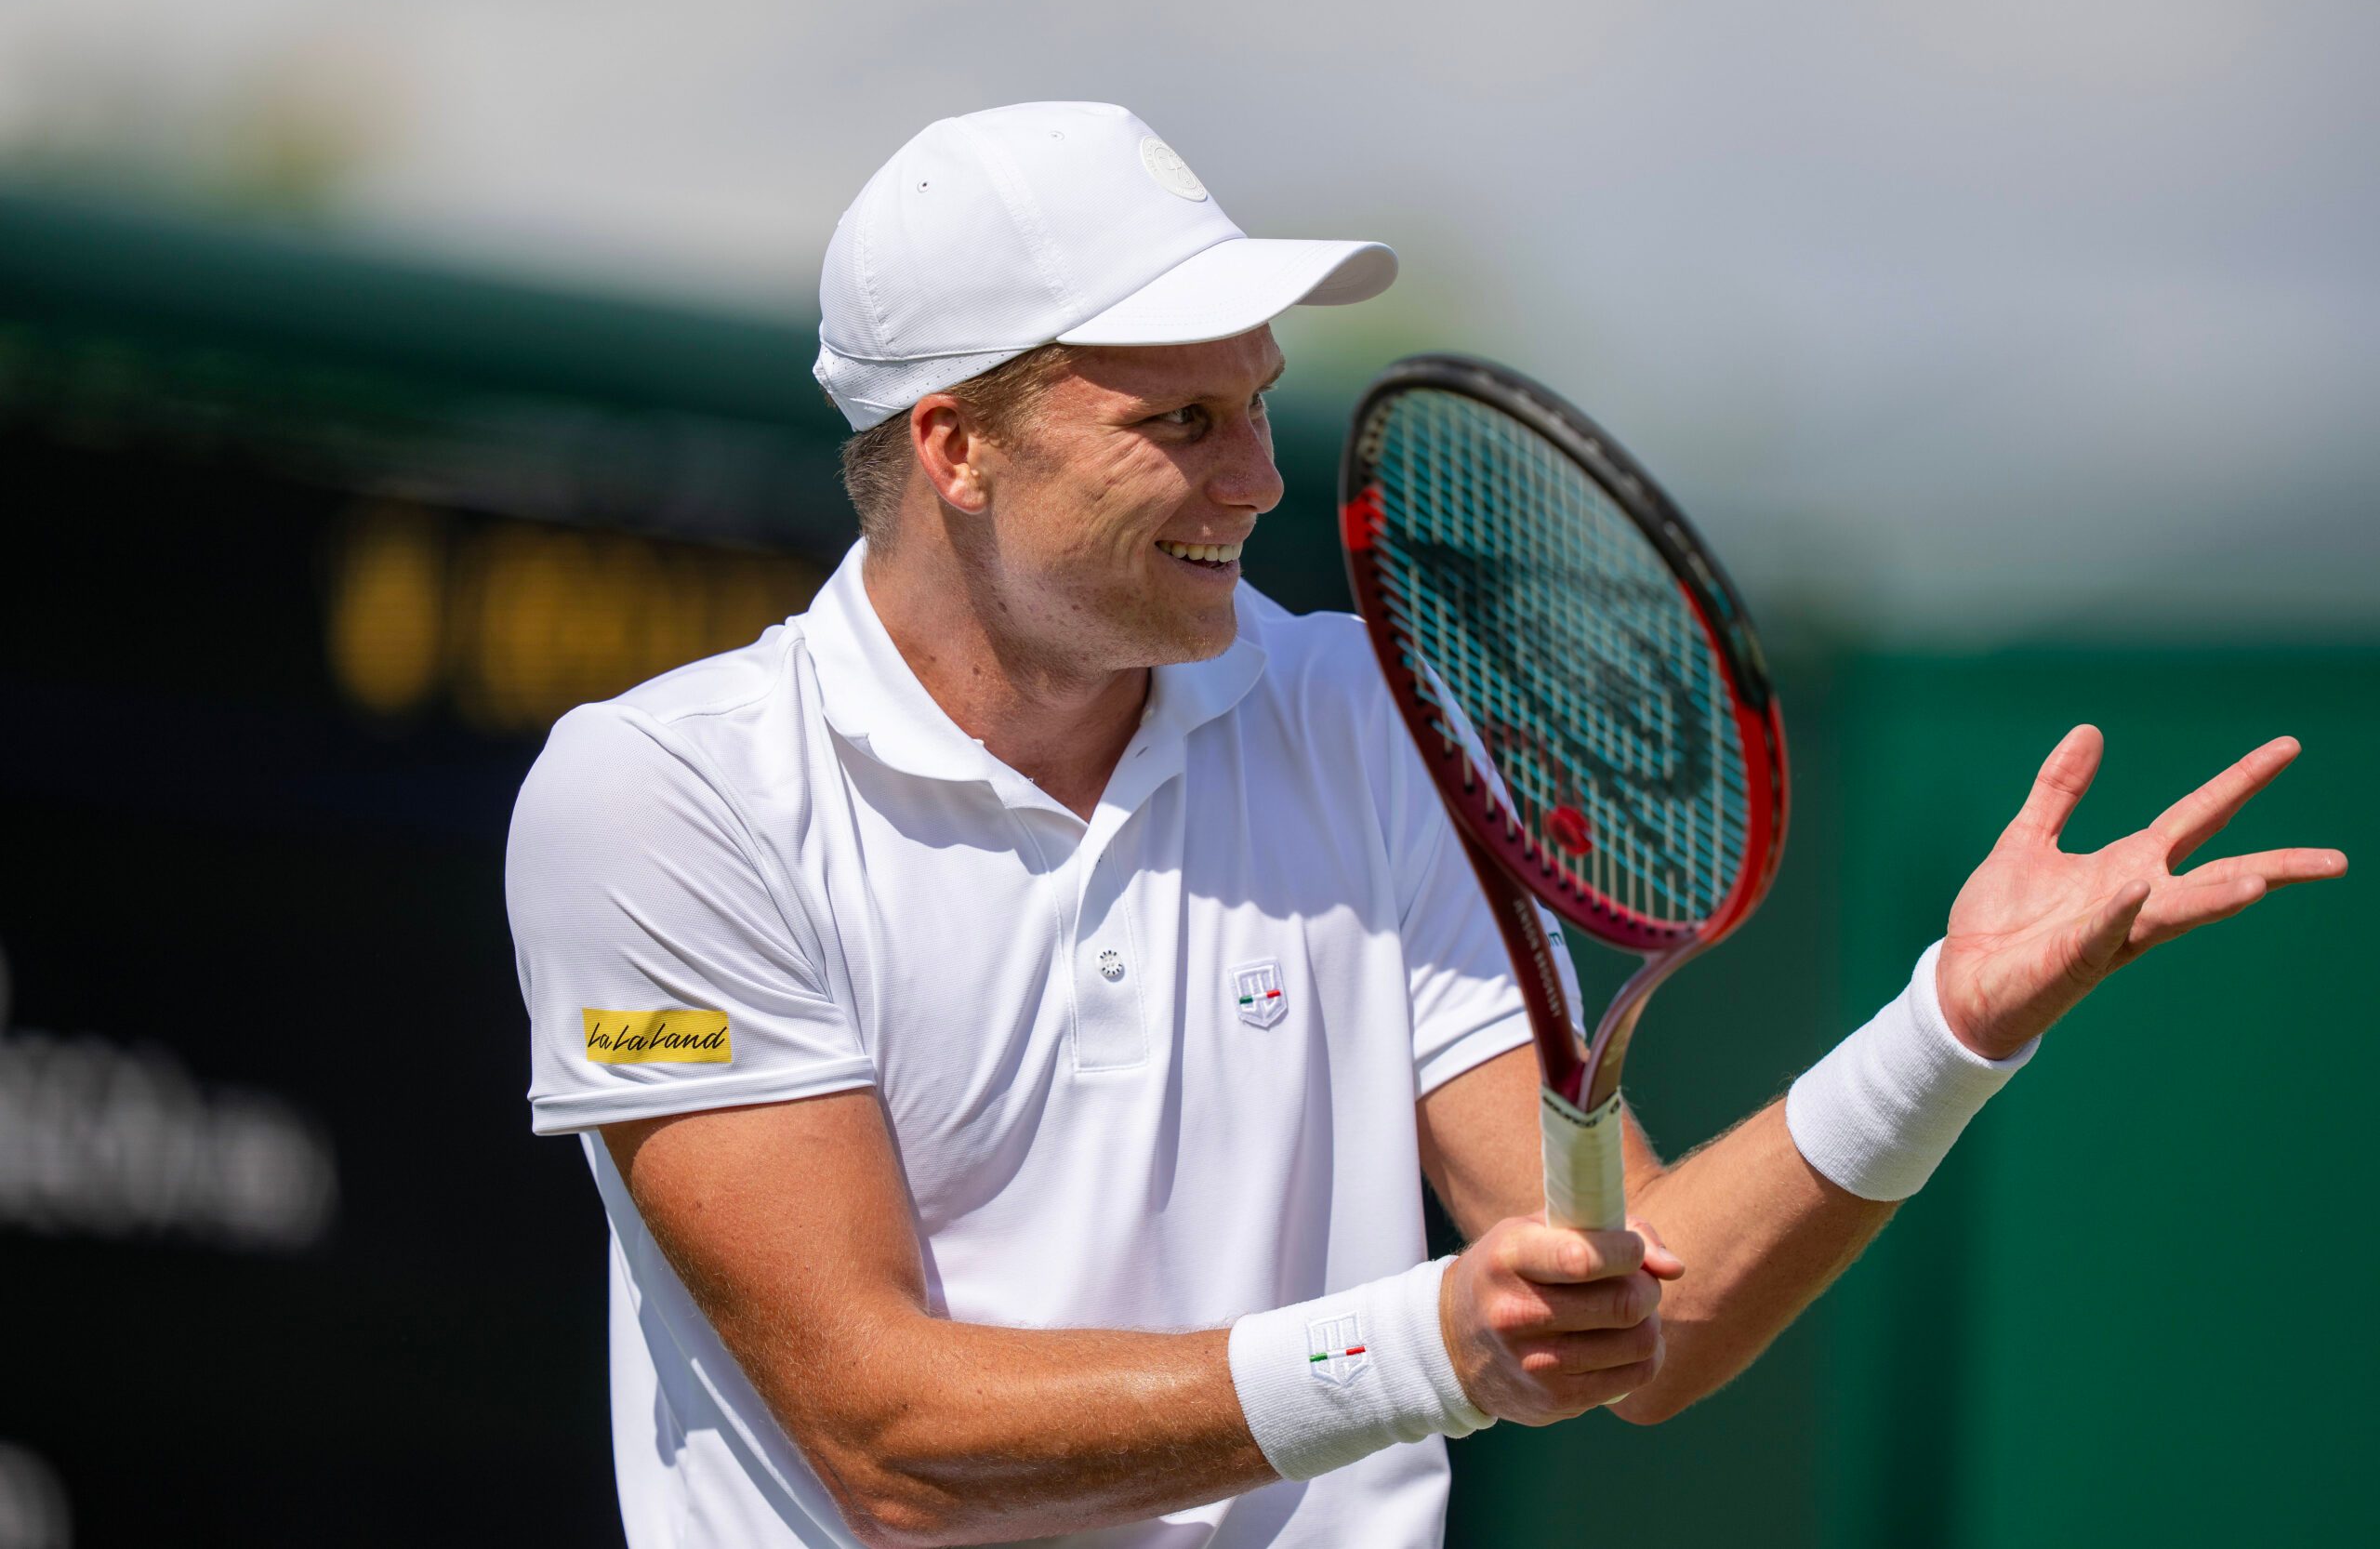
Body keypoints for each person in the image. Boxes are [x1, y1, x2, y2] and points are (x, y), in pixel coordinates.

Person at [506, 101, 2347, 1549]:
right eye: (1182, 419)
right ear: (954, 445)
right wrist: (1422, 1346)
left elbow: (1636, 1324)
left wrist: (1947, 1027)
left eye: (1262, 402)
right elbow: (883, 1437)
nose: (1255, 475)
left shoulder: (1367, 718)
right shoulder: (665, 796)